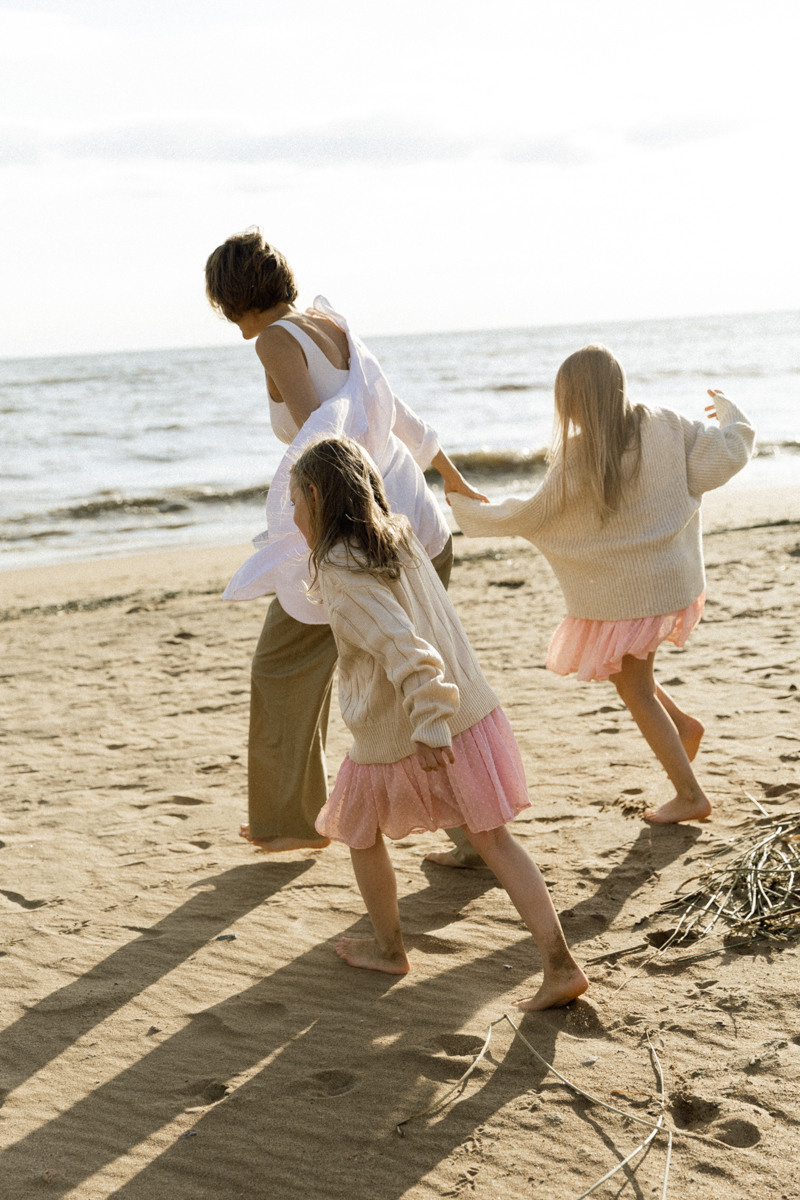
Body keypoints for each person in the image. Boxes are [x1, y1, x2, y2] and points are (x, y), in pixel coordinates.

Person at [205, 229, 485, 863]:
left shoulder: (277, 339)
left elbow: (319, 437)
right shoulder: (328, 322)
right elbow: (395, 409)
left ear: (229, 296)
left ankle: (293, 822)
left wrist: (306, 532)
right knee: (409, 677)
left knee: (282, 666)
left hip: (360, 532)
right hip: (416, 522)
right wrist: (453, 475)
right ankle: (474, 834)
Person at [289, 436, 587, 1008]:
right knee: (495, 841)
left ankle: (389, 948)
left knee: (356, 830)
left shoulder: (339, 568)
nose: (293, 516)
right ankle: (559, 963)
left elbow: (408, 650)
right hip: (470, 712)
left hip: (411, 728)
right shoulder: (396, 536)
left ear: (318, 494)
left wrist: (429, 720)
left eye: (294, 503)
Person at [448, 344, 755, 825]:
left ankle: (690, 795)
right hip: (668, 583)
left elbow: (535, 514)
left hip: (633, 596)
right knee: (629, 677)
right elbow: (724, 457)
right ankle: (685, 727)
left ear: (570, 402)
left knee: (635, 690)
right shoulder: (667, 424)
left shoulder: (578, 453)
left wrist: (468, 510)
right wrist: (732, 416)